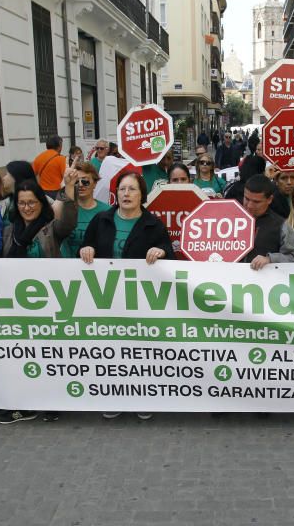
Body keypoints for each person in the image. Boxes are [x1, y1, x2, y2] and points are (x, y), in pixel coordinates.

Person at [0, 176, 78, 424]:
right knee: (23, 356)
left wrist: (68, 190)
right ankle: (24, 403)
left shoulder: (52, 227)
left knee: (51, 355)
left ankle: (53, 401)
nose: (27, 207)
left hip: (50, 302)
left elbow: (69, 220)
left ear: (41, 204)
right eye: (22, 203)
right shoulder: (8, 231)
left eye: (32, 202)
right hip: (18, 306)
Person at [79, 171, 171, 421]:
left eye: (132, 189)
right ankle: (114, 396)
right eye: (122, 189)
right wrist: (86, 249)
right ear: (115, 193)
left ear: (142, 195)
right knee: (112, 350)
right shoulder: (101, 220)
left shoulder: (153, 224)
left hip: (140, 300)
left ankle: (143, 396)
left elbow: (168, 251)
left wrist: (160, 251)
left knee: (140, 351)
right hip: (107, 298)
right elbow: (88, 246)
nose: (126, 194)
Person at [242, 175, 294, 270]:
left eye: (256, 202)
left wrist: (270, 259)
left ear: (269, 200)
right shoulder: (228, 219)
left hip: (263, 282)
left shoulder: (281, 225)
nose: (249, 205)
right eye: (246, 199)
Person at [60, 163, 110, 258]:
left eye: (85, 181)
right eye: (76, 181)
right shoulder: (65, 208)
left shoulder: (107, 211)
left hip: (94, 267)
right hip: (67, 265)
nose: (80, 185)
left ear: (95, 183)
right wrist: (66, 185)